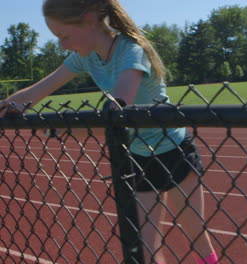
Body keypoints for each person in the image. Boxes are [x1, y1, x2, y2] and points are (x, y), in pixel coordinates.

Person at [0, 0, 218, 263]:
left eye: (64, 36)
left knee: (197, 238)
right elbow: (36, 91)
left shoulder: (131, 50)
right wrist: (6, 106)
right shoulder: (86, 56)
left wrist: (66, 130)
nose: (63, 45)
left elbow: (118, 112)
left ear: (90, 19)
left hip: (174, 151)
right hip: (138, 156)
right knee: (145, 251)